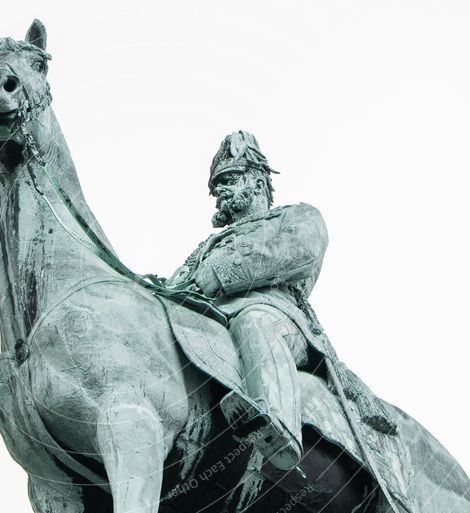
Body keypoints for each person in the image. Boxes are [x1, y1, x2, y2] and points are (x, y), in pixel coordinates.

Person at [169, 130, 395, 472]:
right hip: (210, 321)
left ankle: (277, 421)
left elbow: (298, 253)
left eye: (228, 181)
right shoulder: (203, 249)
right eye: (216, 189)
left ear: (258, 184)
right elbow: (175, 286)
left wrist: (221, 272)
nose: (219, 195)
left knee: (253, 321)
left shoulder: (297, 217)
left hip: (279, 318)